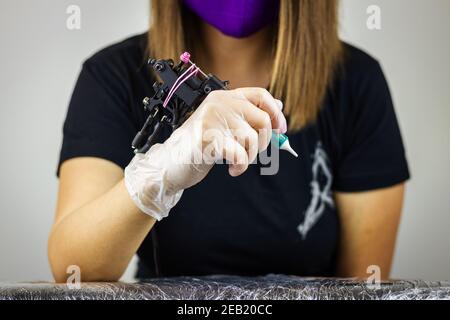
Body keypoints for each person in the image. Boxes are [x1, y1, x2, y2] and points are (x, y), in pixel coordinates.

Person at [49, 0, 410, 282]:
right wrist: (159, 172)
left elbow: (364, 289)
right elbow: (72, 270)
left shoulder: (356, 84)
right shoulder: (113, 77)